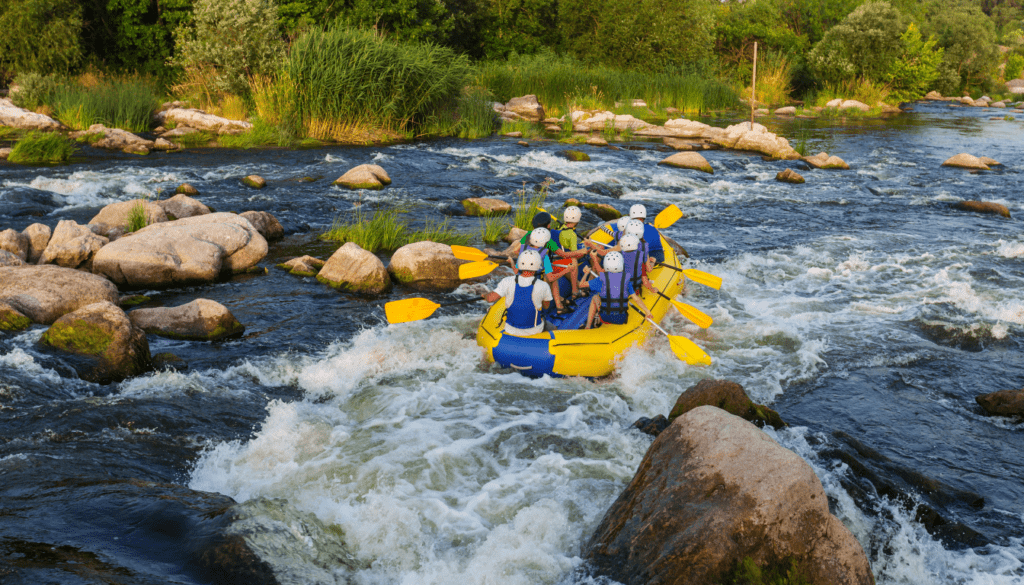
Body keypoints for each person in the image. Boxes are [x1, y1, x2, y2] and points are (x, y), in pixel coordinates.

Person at [482, 250, 552, 337]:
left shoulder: (507, 281)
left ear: (519, 265)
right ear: (537, 266)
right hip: (534, 330)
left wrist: (485, 295)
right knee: (551, 327)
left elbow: (490, 299)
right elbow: (546, 306)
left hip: (511, 330)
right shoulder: (543, 285)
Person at [580, 251, 654, 329]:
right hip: (622, 319)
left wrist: (586, 273)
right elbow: (636, 299)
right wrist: (647, 311)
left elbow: (581, 285)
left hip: (605, 318)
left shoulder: (600, 279)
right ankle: (597, 317)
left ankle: (588, 326)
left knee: (595, 297)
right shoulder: (626, 280)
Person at [550, 206, 589, 299]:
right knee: (590, 253)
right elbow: (574, 254)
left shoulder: (559, 228)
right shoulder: (572, 235)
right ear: (577, 220)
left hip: (556, 255)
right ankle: (584, 285)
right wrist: (586, 250)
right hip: (565, 257)